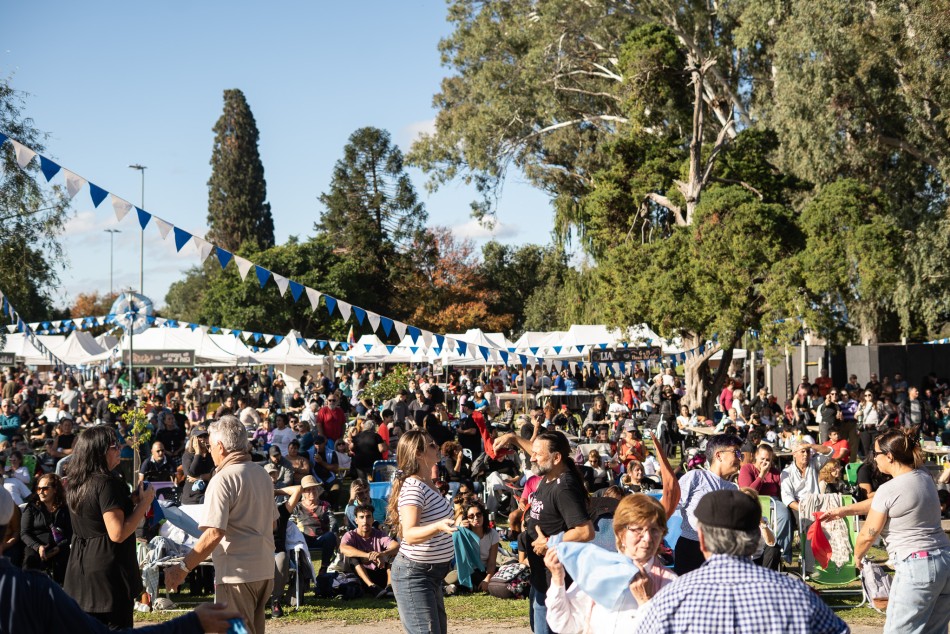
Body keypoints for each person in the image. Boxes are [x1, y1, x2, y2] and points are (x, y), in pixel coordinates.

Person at [0, 486, 244, 634]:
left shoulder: (31, 590)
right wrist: (193, 623)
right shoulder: (33, 591)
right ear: (10, 532)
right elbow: (117, 533)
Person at [633, 489, 848, 634]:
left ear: (702, 540)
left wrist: (645, 606)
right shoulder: (797, 595)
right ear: (754, 538)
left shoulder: (672, 598)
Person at [823, 429, 950, 633]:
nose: (874, 458)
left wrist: (857, 557)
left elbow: (868, 535)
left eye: (876, 454)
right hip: (944, 561)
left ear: (889, 456)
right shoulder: (923, 476)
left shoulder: (889, 489)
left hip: (917, 566)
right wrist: (843, 510)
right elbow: (883, 503)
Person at [164, 416, 278, 634]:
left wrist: (182, 568)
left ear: (220, 446)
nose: (210, 451)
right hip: (263, 570)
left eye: (210, 446)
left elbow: (214, 533)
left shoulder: (222, 479)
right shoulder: (262, 474)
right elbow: (272, 524)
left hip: (237, 575)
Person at [493, 429, 594, 634]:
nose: (532, 457)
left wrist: (550, 542)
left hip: (556, 580)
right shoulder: (550, 474)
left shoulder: (564, 487)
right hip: (541, 575)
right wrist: (513, 438)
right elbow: (539, 451)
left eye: (537, 455)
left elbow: (586, 532)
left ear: (556, 458)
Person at [63, 425, 154, 628]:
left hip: (80, 568)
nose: (120, 449)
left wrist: (130, 501)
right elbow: (117, 533)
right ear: (99, 452)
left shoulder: (77, 482)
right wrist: (145, 503)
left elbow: (95, 516)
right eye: (114, 446)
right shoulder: (106, 483)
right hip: (108, 574)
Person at [545, 494, 678, 634]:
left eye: (655, 530)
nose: (647, 538)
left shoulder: (670, 583)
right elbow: (564, 625)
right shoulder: (600, 569)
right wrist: (558, 579)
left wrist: (646, 603)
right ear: (620, 533)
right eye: (638, 529)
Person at [387, 430, 457, 634]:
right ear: (418, 453)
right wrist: (438, 527)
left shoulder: (428, 483)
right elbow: (409, 534)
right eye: (431, 445)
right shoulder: (414, 487)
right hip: (415, 575)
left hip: (430, 574)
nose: (437, 447)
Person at [673, 434, 742, 575]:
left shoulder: (733, 489)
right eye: (736, 452)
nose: (739, 458)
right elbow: (669, 505)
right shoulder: (696, 477)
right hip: (691, 548)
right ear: (719, 455)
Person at [737, 443, 794, 563]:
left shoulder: (775, 472)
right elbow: (748, 492)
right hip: (753, 501)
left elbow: (781, 491)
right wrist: (761, 475)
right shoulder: (747, 469)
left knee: (784, 516)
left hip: (773, 501)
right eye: (762, 459)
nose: (765, 462)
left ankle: (781, 551)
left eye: (768, 460)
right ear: (756, 456)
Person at [20, 473, 71, 584]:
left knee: (65, 560)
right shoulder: (31, 508)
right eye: (38, 489)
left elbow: (70, 533)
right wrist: (38, 547)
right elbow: (24, 533)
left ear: (55, 490)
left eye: (45, 488)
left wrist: (59, 548)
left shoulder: (64, 509)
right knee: (30, 560)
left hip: (59, 546)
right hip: (35, 546)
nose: (41, 492)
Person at [340, 503, 399, 597]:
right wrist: (368, 555)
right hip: (359, 578)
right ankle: (372, 587)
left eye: (368, 517)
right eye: (361, 517)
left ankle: (389, 587)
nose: (365, 521)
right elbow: (343, 548)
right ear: (356, 520)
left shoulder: (379, 534)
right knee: (352, 557)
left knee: (394, 556)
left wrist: (382, 554)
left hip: (379, 573)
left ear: (372, 519)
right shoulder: (350, 535)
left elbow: (396, 546)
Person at [780, 440, 834, 527]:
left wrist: (810, 445)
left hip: (816, 503)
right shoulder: (787, 472)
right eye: (802, 451)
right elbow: (787, 497)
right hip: (798, 506)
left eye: (808, 451)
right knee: (810, 524)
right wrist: (803, 509)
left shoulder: (814, 463)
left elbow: (830, 451)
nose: (806, 454)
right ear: (794, 454)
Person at [456, 498, 500, 593]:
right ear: (466, 519)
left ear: (484, 515)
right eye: (471, 516)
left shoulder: (492, 534)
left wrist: (487, 578)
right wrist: (460, 529)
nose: (476, 518)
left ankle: (472, 586)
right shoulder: (462, 534)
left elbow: (492, 562)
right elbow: (463, 561)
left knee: (496, 579)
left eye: (479, 514)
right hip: (468, 570)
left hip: (484, 570)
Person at [295, 476, 338, 571]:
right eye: (308, 489)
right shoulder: (297, 507)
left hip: (321, 538)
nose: (312, 491)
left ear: (318, 489)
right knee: (297, 535)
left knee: (330, 536)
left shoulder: (325, 505)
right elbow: (291, 524)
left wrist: (335, 534)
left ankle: (324, 567)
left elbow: (333, 521)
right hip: (303, 539)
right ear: (303, 492)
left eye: (314, 488)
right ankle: (302, 570)